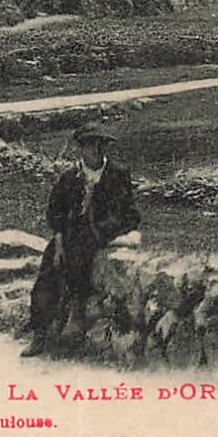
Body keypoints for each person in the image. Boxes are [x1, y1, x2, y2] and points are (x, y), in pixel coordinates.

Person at [21, 121, 140, 357]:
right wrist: (59, 238)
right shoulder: (69, 177)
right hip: (69, 233)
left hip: (101, 232)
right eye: (90, 145)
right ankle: (40, 332)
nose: (96, 150)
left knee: (79, 259)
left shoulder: (117, 174)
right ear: (81, 149)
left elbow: (127, 212)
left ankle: (76, 311)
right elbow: (54, 210)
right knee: (48, 271)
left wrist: (101, 230)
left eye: (100, 144)